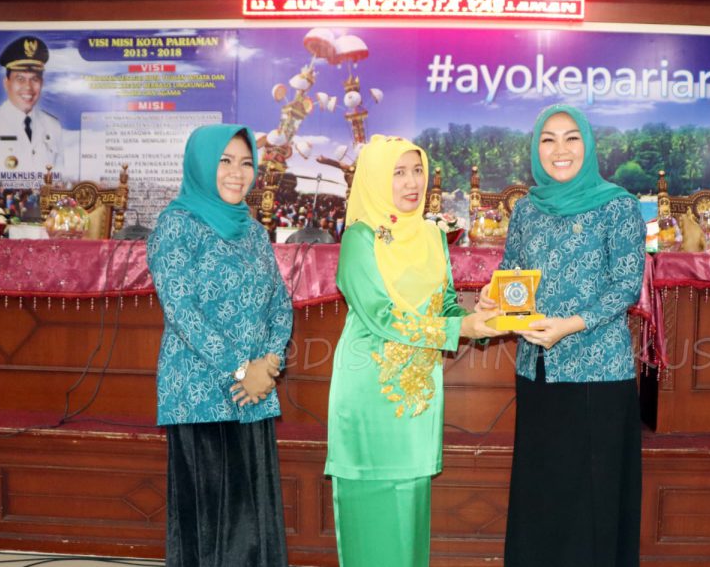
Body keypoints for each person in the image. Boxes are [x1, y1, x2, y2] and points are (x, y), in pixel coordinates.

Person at [479, 104, 646, 567]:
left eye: (571, 138)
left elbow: (626, 286)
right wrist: (492, 300)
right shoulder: (527, 209)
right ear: (536, 148)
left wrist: (568, 326)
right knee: (542, 493)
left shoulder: (618, 206)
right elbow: (512, 272)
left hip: (597, 373)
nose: (560, 149)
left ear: (587, 145)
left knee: (592, 500)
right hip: (537, 371)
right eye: (548, 139)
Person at [325, 135, 502, 567]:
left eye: (418, 170)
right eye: (398, 172)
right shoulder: (360, 238)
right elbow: (380, 317)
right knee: (371, 512)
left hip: (417, 397)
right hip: (369, 391)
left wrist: (480, 318)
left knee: (410, 513)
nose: (412, 182)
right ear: (374, 179)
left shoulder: (431, 235)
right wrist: (460, 328)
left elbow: (443, 305)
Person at [146, 124, 293, 567]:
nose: (237, 173)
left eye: (246, 163)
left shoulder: (253, 231)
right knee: (215, 526)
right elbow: (182, 311)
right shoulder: (176, 225)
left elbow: (280, 304)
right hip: (200, 395)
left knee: (253, 521)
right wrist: (241, 369)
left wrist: (268, 364)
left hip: (254, 393)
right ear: (201, 164)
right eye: (224, 161)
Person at [0, 35, 63, 181]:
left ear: (42, 83)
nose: (28, 87)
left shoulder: (53, 125)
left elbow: (60, 180)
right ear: (6, 83)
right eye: (20, 79)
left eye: (34, 79)